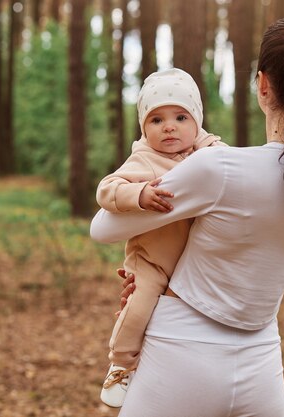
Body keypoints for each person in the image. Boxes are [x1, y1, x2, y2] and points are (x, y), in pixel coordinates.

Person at [91, 17, 284, 417]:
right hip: (262, 360)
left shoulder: (220, 169)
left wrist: (150, 272)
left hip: (179, 352)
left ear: (263, 85)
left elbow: (102, 227)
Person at [96, 67, 225, 407]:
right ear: (144, 129)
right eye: (156, 120)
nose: (169, 126)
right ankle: (120, 364)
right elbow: (107, 189)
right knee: (138, 307)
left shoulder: (211, 153)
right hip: (152, 259)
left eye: (181, 117)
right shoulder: (145, 159)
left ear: (197, 122)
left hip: (194, 260)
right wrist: (138, 194)